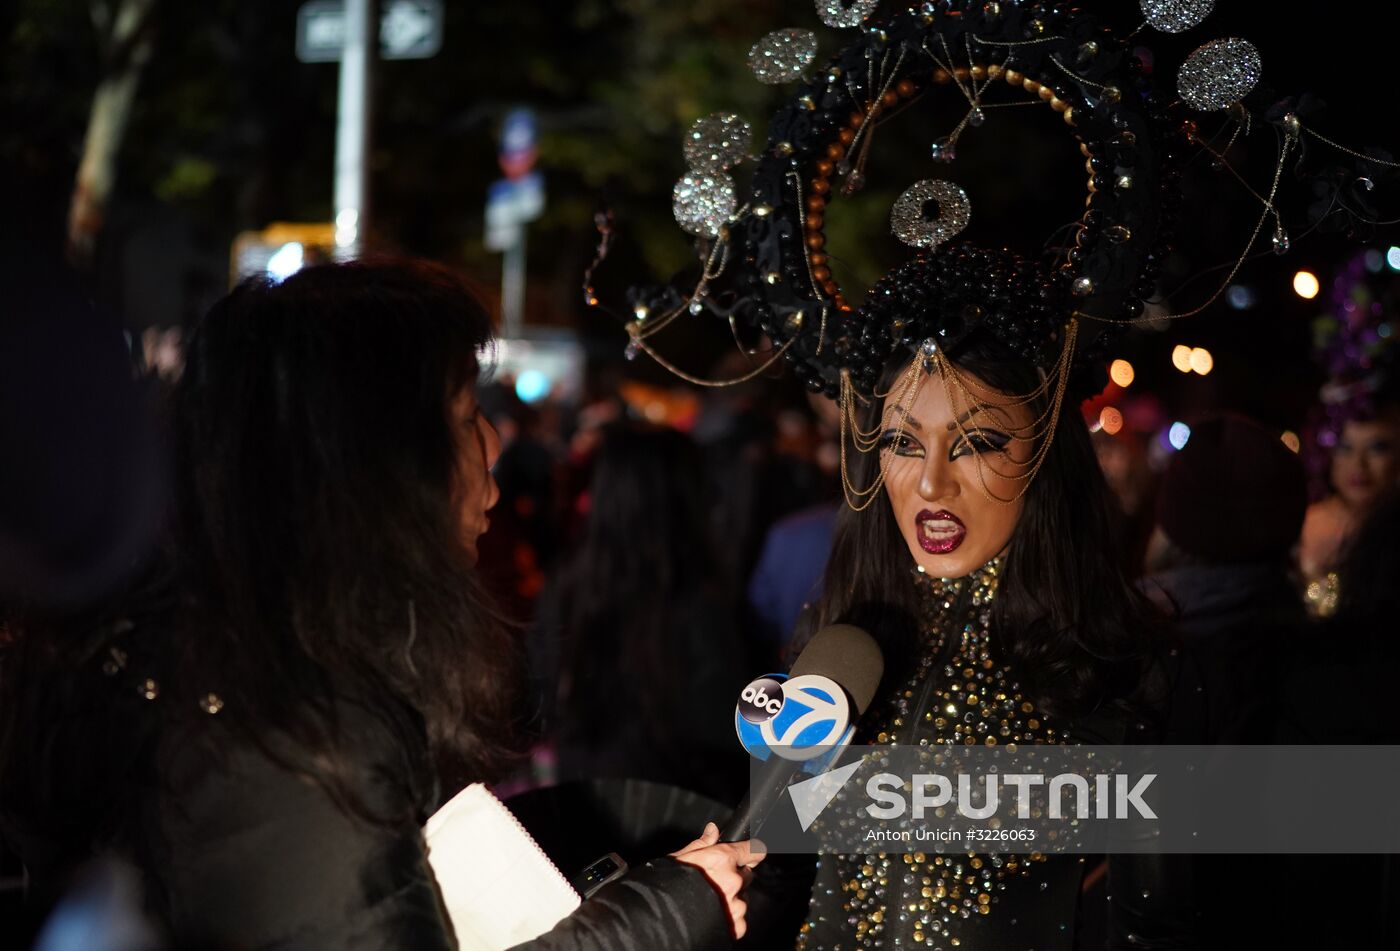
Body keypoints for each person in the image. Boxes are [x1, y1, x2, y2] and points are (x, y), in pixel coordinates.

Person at [0, 259, 759, 949]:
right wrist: (661, 917)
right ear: (383, 465)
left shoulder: (238, 657)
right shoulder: (295, 729)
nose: (491, 445)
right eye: (466, 413)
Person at [532, 420, 753, 804]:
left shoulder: (567, 585)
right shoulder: (696, 600)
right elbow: (729, 730)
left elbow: (541, 694)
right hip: (683, 814)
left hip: (587, 799)